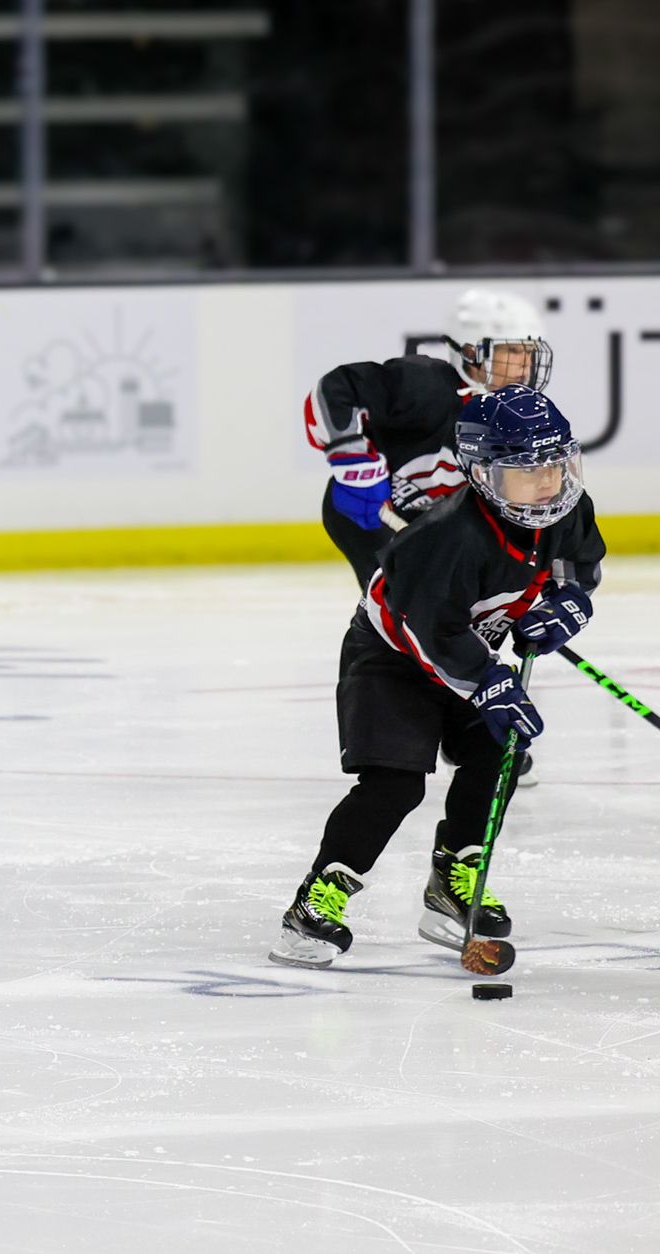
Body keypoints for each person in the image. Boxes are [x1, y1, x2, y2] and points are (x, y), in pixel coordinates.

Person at [269, 384, 603, 970]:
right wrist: (488, 681)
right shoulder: (446, 536)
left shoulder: (567, 508)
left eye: (555, 463)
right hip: (393, 657)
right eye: (527, 471)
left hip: (465, 652)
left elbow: (578, 566)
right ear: (481, 473)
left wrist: (569, 604)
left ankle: (454, 878)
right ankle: (318, 899)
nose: (549, 481)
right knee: (395, 784)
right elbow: (428, 631)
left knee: (500, 749)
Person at [304, 287, 554, 786]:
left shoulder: (513, 415)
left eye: (528, 354)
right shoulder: (423, 384)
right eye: (509, 353)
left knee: (475, 617)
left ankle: (477, 728)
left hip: (440, 530)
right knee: (411, 613)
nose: (522, 367)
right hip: (373, 519)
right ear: (468, 351)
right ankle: (407, 731)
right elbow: (333, 390)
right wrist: (353, 458)